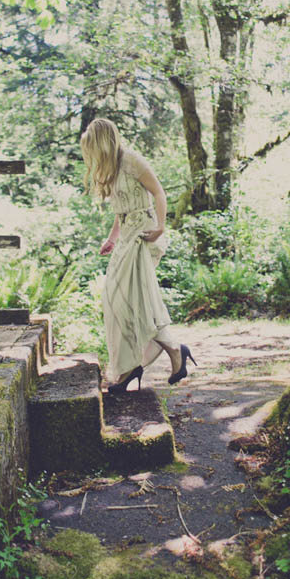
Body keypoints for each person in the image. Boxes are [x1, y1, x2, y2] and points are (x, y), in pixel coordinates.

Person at [80, 117, 196, 393]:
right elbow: (122, 212)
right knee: (119, 300)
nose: (91, 156)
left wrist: (161, 227)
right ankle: (172, 352)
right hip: (127, 234)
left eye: (92, 148)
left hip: (144, 233)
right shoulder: (109, 169)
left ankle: (130, 368)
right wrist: (111, 238)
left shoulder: (131, 160)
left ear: (103, 143)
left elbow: (158, 192)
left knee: (123, 298)